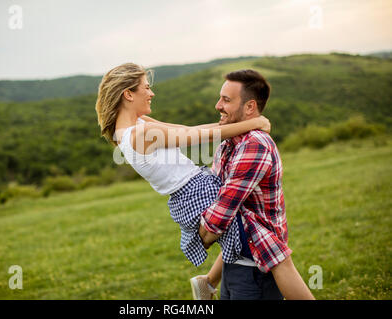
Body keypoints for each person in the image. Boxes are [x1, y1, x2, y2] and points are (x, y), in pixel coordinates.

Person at [95, 63, 313, 300]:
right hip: (194, 193)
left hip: (193, 189)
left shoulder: (136, 126)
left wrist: (237, 125)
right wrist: (255, 123)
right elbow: (200, 136)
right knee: (266, 241)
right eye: (146, 88)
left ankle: (208, 282)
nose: (151, 93)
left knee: (251, 227)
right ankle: (212, 281)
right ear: (128, 94)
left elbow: (189, 129)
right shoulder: (139, 134)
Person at [197, 69, 314, 300]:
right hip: (233, 260)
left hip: (257, 267)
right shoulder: (227, 145)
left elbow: (220, 213)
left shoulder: (254, 144)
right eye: (220, 98)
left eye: (226, 100)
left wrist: (197, 236)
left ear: (250, 107)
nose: (218, 105)